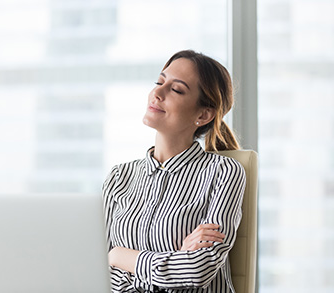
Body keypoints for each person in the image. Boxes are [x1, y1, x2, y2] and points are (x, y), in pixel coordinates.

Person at [102, 50, 246, 293]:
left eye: (176, 90)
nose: (157, 93)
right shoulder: (120, 177)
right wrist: (176, 257)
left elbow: (197, 272)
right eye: (159, 82)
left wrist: (120, 256)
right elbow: (101, 270)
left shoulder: (223, 172)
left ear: (203, 114)